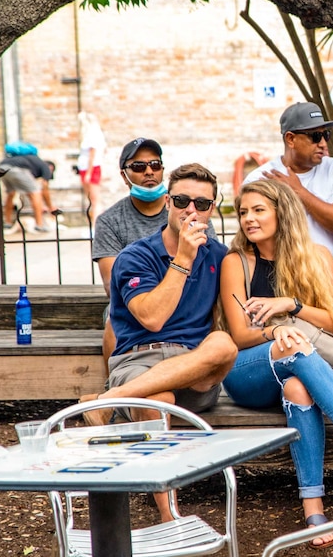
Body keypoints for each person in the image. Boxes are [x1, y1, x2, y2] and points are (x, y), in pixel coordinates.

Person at [219, 181, 333, 548]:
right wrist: (276, 332)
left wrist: (290, 306)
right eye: (243, 212)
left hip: (297, 369)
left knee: (297, 388)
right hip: (248, 372)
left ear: (281, 212)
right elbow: (240, 336)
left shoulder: (316, 257)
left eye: (258, 210)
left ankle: (314, 509)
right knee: (293, 342)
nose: (249, 219)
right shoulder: (236, 262)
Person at [80, 163, 237, 523]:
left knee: (223, 345)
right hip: (138, 361)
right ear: (168, 202)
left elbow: (236, 314)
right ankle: (170, 514)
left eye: (202, 203)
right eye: (182, 200)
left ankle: (107, 402)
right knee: (158, 398)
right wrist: (182, 259)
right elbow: (152, 318)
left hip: (193, 368)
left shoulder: (218, 255)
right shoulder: (136, 256)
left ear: (213, 209)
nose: (191, 210)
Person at [243, 101, 333, 379]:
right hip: (283, 263)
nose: (323, 143)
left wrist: (298, 191)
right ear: (291, 139)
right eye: (315, 136)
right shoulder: (260, 177)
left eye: (326, 135)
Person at [93, 137, 217, 363]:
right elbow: (114, 284)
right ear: (124, 175)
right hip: (136, 299)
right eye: (139, 167)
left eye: (155, 165)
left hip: (188, 298)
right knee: (116, 316)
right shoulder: (110, 220)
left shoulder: (194, 212)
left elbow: (209, 267)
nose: (149, 171)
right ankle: (116, 381)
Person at [0, 147, 50, 233]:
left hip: (2, 167)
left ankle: (7, 223)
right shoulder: (45, 167)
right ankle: (39, 225)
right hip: (18, 169)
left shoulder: (25, 159)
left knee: (11, 193)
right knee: (36, 192)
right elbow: (44, 188)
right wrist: (50, 206)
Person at [77, 112, 107, 221]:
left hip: (91, 168)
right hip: (86, 168)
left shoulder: (93, 134)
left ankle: (95, 227)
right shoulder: (92, 134)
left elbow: (92, 155)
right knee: (91, 199)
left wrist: (89, 173)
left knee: (95, 200)